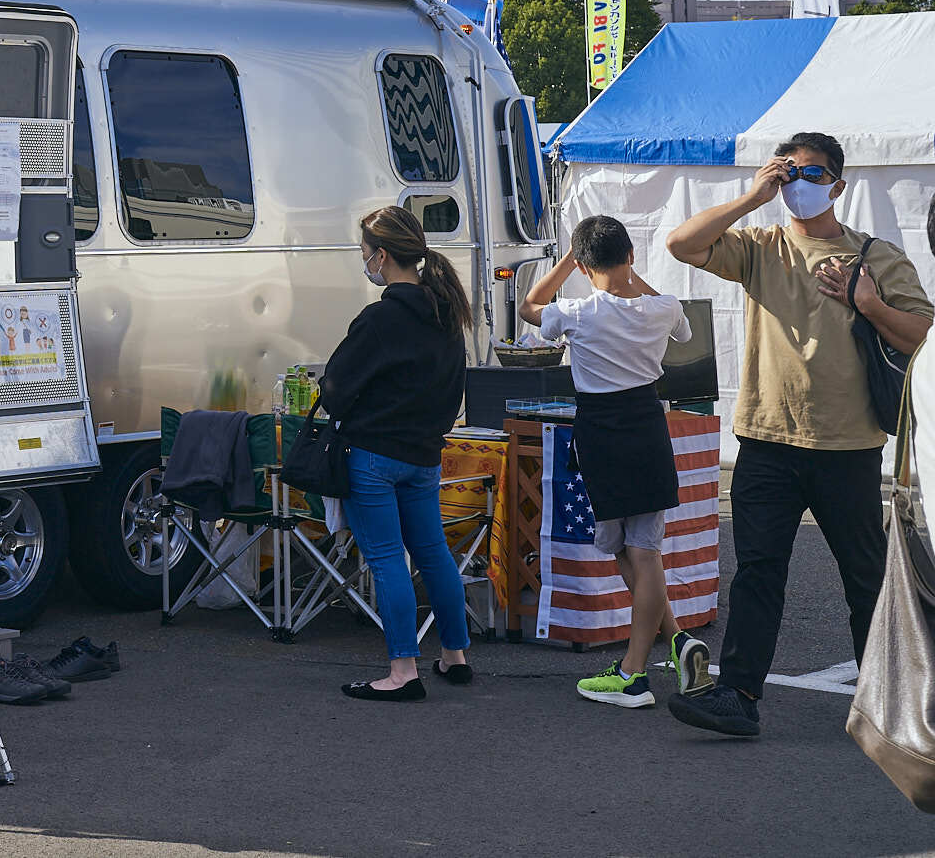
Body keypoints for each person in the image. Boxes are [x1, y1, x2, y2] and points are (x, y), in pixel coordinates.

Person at [664, 132, 932, 737]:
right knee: (757, 572)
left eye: (812, 175)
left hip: (848, 447)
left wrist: (869, 304)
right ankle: (736, 695)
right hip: (766, 439)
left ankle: (888, 706)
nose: (798, 185)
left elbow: (922, 336)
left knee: (865, 579)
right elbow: (681, 243)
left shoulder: (875, 256)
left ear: (837, 186)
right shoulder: (761, 246)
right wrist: (752, 195)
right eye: (788, 173)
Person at [520, 216, 713, 709]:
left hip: (600, 437)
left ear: (584, 267)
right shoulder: (663, 307)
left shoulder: (579, 312)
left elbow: (529, 307)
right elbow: (685, 331)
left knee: (631, 552)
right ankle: (679, 641)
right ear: (630, 255)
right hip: (647, 428)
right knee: (637, 549)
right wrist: (630, 275)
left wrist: (568, 258)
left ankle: (632, 672)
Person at [322, 205, 474, 702]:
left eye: (364, 253)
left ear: (382, 256)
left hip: (373, 455)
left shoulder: (379, 318)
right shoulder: (447, 312)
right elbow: (455, 391)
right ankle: (455, 656)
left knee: (387, 558)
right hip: (424, 455)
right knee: (433, 553)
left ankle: (402, 670)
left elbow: (336, 389)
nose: (364, 260)